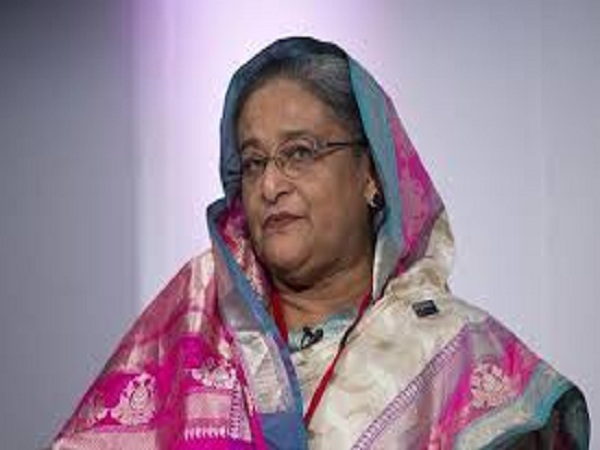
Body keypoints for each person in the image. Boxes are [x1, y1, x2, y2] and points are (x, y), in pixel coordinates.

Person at [52, 37, 590, 449]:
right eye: (254, 162)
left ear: (371, 173)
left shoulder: (457, 358)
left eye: (300, 153)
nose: (270, 184)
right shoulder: (190, 332)